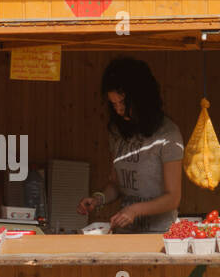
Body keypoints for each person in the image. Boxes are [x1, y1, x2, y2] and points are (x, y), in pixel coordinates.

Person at [76, 57, 184, 234]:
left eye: (124, 104)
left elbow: (173, 198)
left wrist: (135, 210)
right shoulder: (117, 131)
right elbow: (116, 184)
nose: (119, 110)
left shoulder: (168, 134)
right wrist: (98, 199)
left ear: (142, 99)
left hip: (159, 234)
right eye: (114, 104)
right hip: (124, 232)